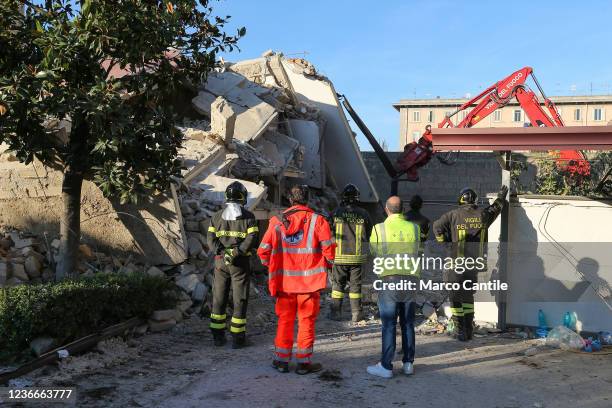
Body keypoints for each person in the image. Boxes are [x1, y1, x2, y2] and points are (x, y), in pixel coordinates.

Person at [257, 185, 336, 375]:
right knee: (306, 322)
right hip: (309, 284)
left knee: (285, 321)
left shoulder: (276, 221)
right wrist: (328, 267)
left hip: (284, 284)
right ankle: (303, 363)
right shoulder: (318, 221)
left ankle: (281, 361)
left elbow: (263, 252)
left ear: (290, 200)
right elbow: (330, 253)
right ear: (307, 199)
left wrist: (273, 265)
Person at [432, 185, 508, 341]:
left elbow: (436, 227)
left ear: (461, 200)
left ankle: (460, 331)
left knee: (455, 297)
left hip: (456, 265)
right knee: (467, 296)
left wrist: (444, 241)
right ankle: (468, 330)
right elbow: (496, 208)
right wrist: (501, 196)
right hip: (474, 265)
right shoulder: (483, 214)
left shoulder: (452, 215)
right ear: (475, 200)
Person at [367, 196, 421, 379]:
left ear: (387, 210)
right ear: (402, 209)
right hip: (410, 279)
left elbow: (373, 251)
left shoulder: (378, 229)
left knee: (389, 324)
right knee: (408, 323)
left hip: (389, 280)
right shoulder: (414, 228)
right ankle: (408, 364)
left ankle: (386, 366)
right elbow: (417, 250)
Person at [205, 181, 259, 349]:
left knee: (218, 298)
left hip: (220, 263)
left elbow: (210, 240)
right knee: (239, 299)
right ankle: (238, 338)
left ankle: (217, 337)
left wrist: (222, 252)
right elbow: (253, 239)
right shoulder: (249, 217)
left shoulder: (216, 217)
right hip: (239, 264)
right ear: (243, 198)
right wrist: (236, 253)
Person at [329, 183, 373, 322]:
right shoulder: (364, 214)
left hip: (339, 257)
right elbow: (371, 234)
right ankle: (356, 313)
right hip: (357, 258)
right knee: (355, 286)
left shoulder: (336, 213)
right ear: (357, 198)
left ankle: (336, 313)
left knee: (338, 285)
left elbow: (327, 232)